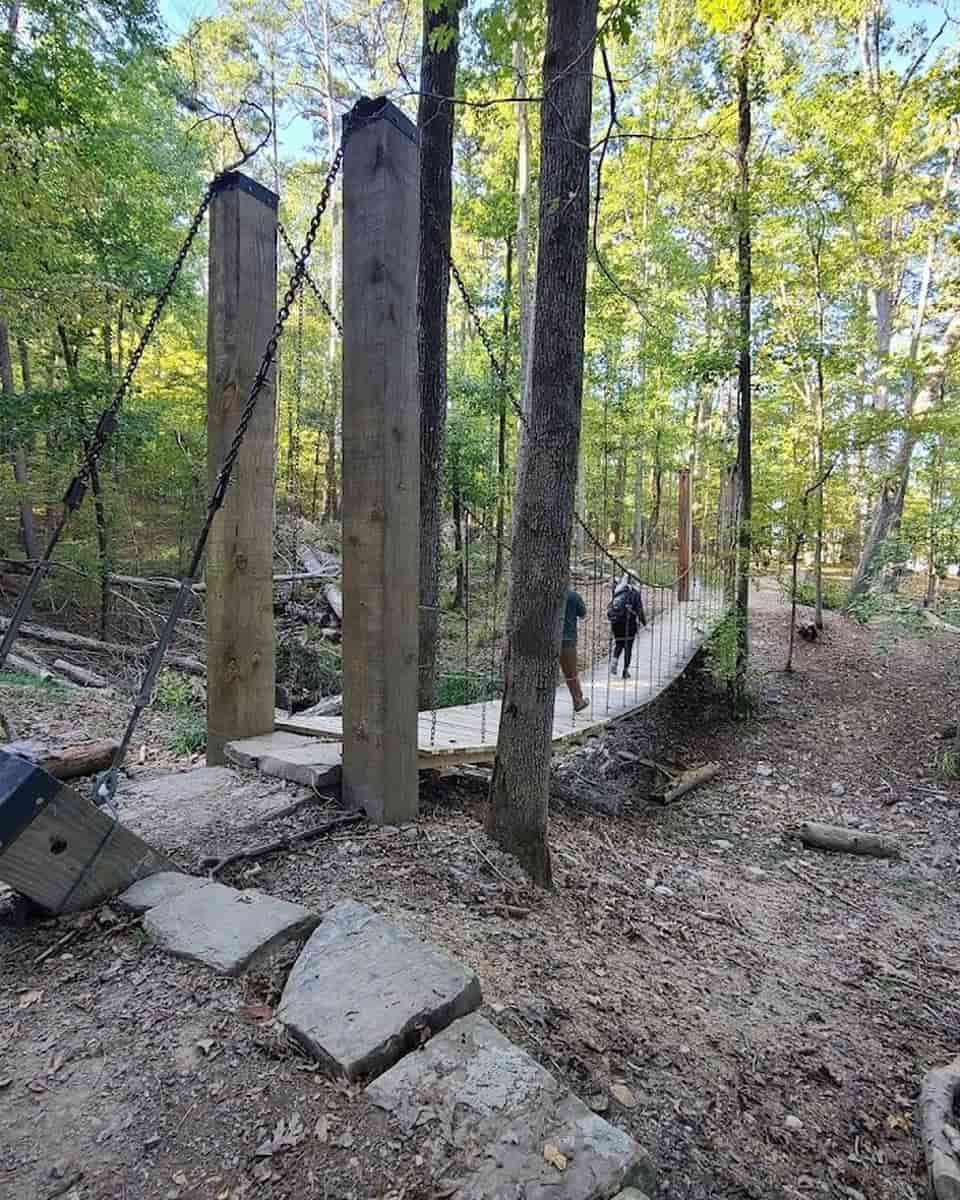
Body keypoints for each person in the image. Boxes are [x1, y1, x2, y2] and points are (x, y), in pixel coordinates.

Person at [607, 576, 646, 680]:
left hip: (616, 622)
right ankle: (625, 671)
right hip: (629, 623)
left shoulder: (617, 591)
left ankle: (614, 661)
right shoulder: (635, 593)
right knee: (628, 646)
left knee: (619, 643)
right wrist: (645, 623)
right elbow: (639, 610)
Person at [560, 585, 589, 712]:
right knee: (570, 673)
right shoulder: (573, 596)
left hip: (545, 640)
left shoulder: (545, 594)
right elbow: (583, 614)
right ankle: (578, 701)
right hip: (567, 640)